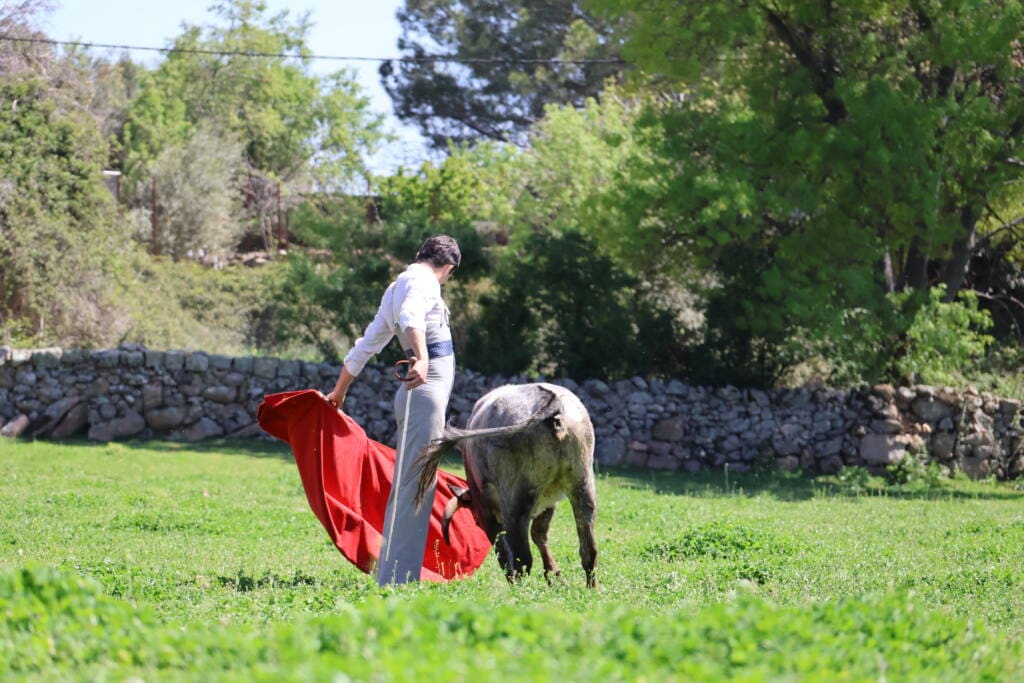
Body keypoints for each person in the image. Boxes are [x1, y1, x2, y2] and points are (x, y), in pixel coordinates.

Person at [325, 235, 459, 585]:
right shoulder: (424, 281)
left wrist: (340, 390)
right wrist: (424, 357)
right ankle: (397, 577)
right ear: (447, 268)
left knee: (412, 478)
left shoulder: (397, 285)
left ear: (419, 254)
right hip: (425, 389)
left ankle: (394, 571)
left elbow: (367, 344)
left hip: (417, 391)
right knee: (416, 482)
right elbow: (411, 318)